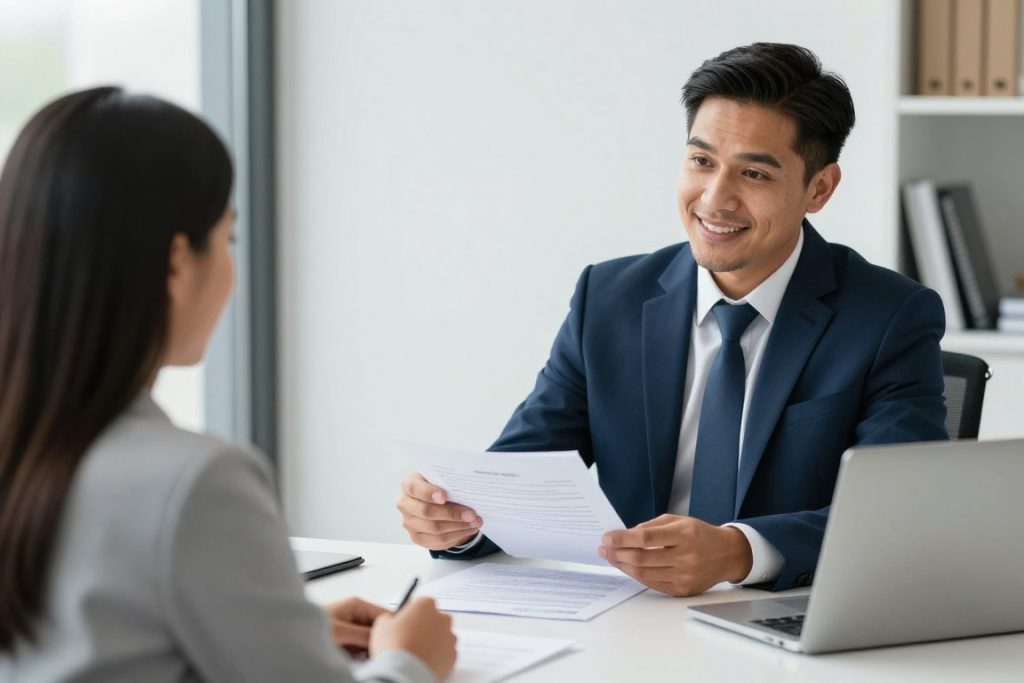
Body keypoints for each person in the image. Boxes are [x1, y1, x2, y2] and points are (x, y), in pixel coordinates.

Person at [396, 43, 948, 596]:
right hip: (630, 614)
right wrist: (457, 522)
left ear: (819, 188)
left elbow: (895, 513)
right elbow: (521, 478)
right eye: (701, 162)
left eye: (754, 173)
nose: (716, 199)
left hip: (784, 615)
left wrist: (738, 552)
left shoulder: (889, 317)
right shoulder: (608, 298)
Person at [0, 88, 455, 682]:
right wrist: (411, 661)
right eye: (228, 238)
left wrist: (273, 633)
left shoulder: (30, 451)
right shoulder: (196, 482)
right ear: (176, 263)